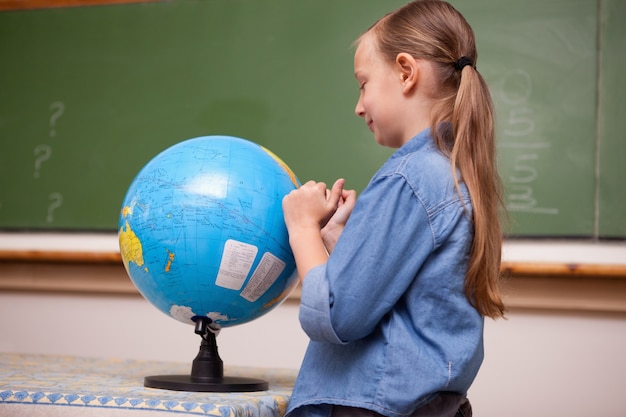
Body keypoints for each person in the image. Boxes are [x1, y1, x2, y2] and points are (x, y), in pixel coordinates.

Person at [282, 1, 506, 416]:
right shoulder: (450, 171)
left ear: (406, 72)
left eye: (363, 83)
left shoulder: (410, 177)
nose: (359, 105)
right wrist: (341, 244)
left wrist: (303, 230)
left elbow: (337, 316)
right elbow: (403, 294)